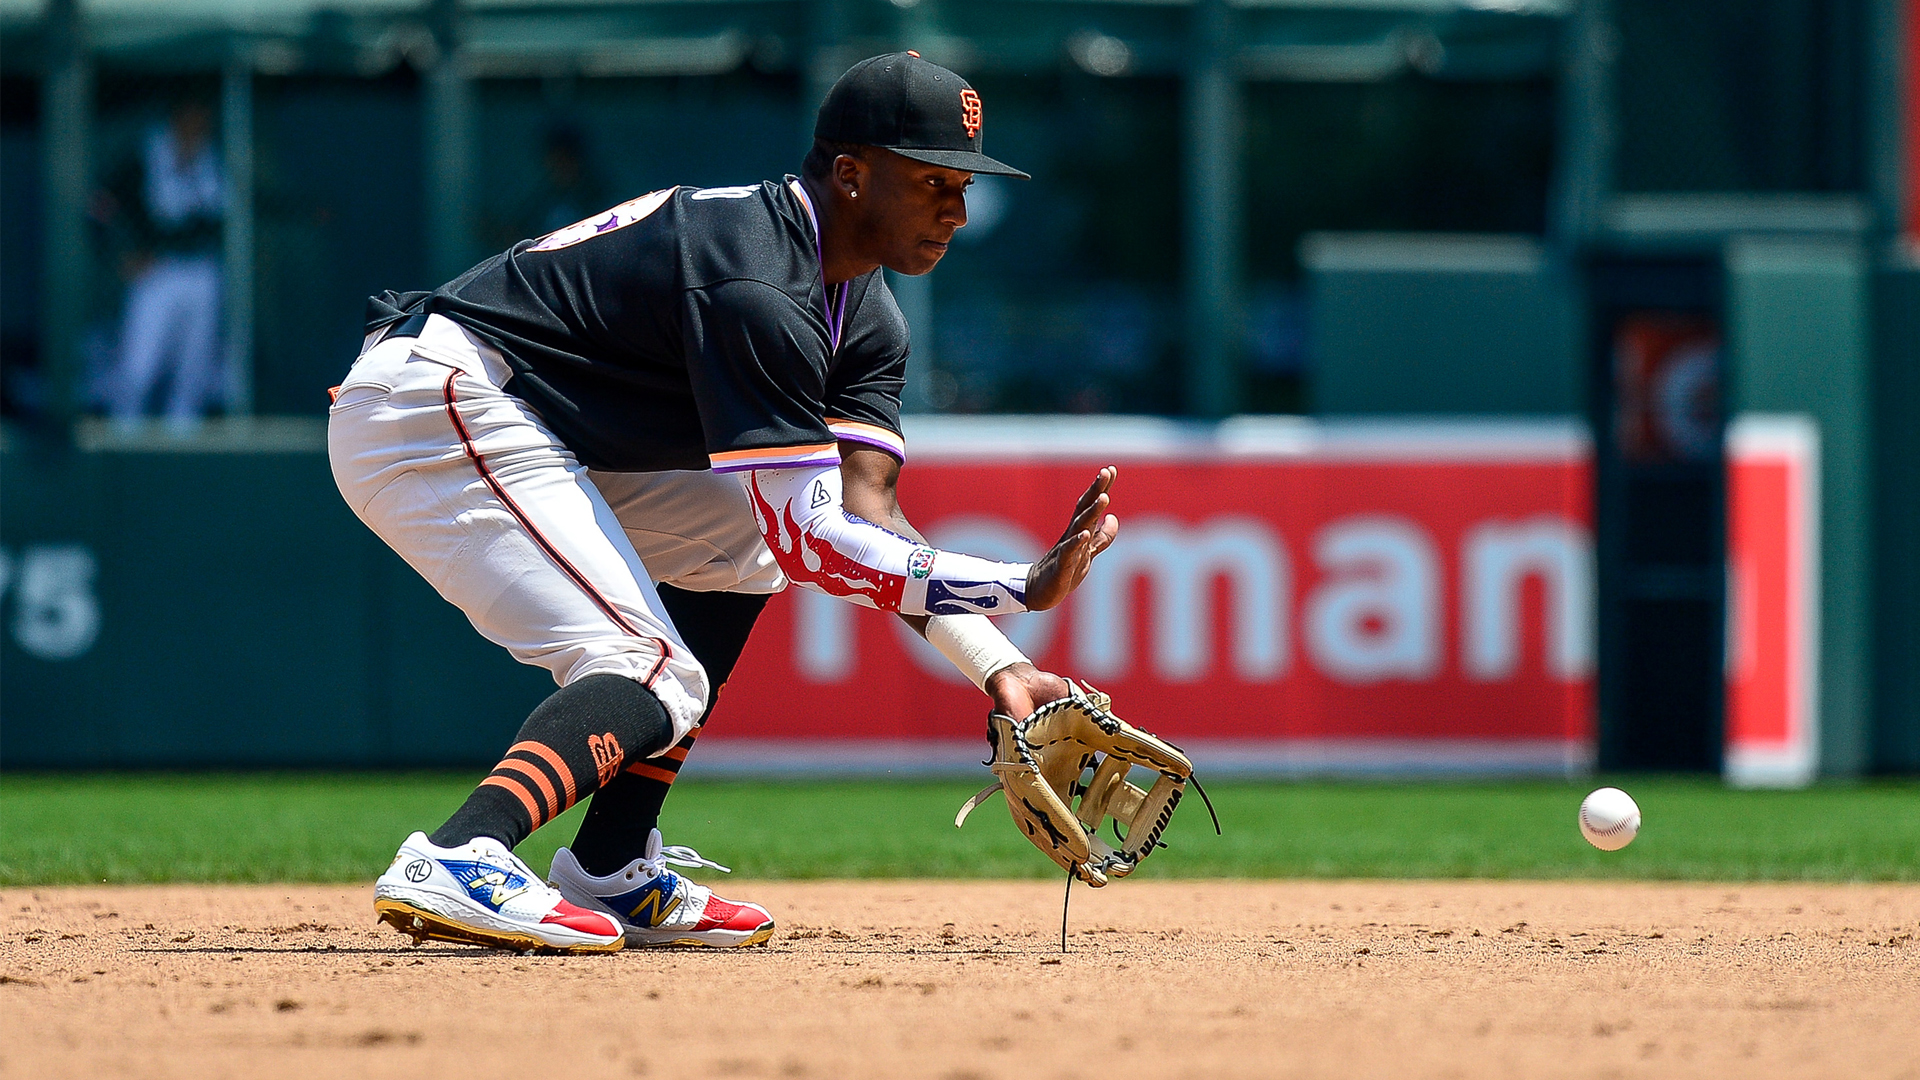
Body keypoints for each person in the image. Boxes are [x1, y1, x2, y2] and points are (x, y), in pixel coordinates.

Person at [328, 53, 1120, 953]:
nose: (958, 209)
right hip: (434, 404)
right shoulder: (756, 275)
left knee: (749, 543)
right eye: (932, 180)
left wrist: (998, 665)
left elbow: (854, 523)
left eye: (965, 182)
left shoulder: (863, 313)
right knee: (647, 666)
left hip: (526, 424)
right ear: (852, 176)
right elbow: (823, 542)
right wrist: (1021, 582)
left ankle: (611, 865)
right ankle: (464, 851)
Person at [107, 100, 226, 431]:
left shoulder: (215, 159)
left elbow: (233, 212)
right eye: (191, 117)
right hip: (158, 269)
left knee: (195, 366)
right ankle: (122, 436)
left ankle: (182, 438)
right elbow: (102, 206)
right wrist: (123, 252)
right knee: (138, 365)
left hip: (202, 270)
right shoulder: (145, 156)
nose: (198, 126)